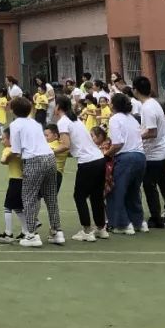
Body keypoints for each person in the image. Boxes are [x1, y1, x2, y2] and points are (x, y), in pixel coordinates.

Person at [8, 97, 64, 247]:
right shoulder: (35, 122)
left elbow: (16, 150)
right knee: (51, 197)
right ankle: (57, 231)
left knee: (29, 198)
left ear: (13, 110)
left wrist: (7, 157)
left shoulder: (15, 125)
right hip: (50, 158)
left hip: (33, 160)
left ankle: (32, 234)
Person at [52, 97, 108, 242]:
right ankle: (101, 229)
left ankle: (87, 231)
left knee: (79, 196)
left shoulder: (63, 122)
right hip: (99, 159)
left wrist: (48, 152)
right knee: (96, 196)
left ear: (58, 106)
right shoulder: (75, 119)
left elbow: (65, 145)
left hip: (87, 162)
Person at [134, 77, 165, 228]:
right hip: (161, 150)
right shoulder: (154, 103)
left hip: (154, 152)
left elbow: (152, 132)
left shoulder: (147, 107)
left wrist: (136, 135)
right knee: (163, 182)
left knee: (149, 184)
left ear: (135, 90)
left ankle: (156, 217)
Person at [107, 92, 146, 235]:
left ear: (114, 105)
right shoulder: (132, 119)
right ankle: (139, 222)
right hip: (140, 157)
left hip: (125, 157)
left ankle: (123, 224)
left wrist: (106, 155)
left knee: (117, 191)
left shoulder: (115, 119)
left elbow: (117, 143)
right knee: (134, 191)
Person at [0, 131, 26, 244]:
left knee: (7, 207)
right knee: (18, 208)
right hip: (24, 181)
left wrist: (11, 153)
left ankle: (8, 233)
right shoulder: (21, 150)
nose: (2, 141)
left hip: (15, 181)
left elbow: (3, 160)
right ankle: (25, 231)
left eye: (4, 139)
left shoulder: (8, 150)